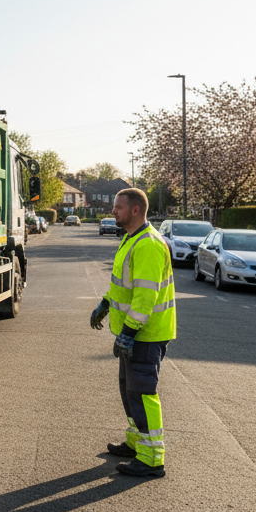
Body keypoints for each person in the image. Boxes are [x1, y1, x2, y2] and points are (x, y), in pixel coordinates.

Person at [90, 188, 175, 478]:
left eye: (118, 207)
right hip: (135, 333)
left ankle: (152, 458)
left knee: (142, 393)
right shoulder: (131, 238)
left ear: (135, 210)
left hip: (145, 334)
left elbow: (144, 298)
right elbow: (122, 285)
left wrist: (128, 332)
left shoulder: (148, 244)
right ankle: (137, 442)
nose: (113, 211)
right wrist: (105, 302)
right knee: (129, 391)